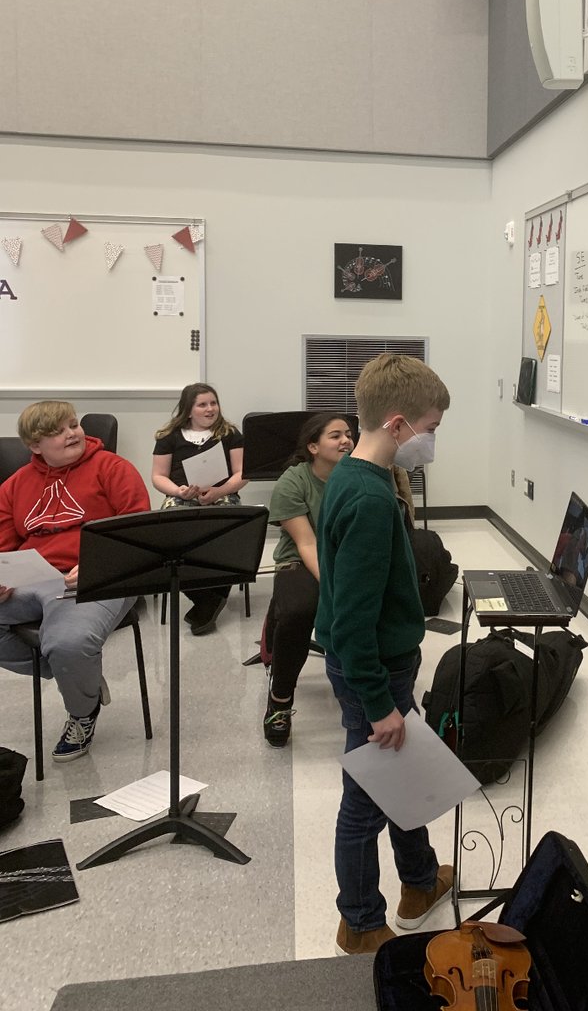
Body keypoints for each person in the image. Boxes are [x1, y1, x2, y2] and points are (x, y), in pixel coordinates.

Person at [315, 353, 453, 956]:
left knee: (403, 774)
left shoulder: (352, 471)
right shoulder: (371, 501)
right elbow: (352, 620)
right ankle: (361, 919)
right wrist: (377, 703)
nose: (431, 441)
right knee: (366, 799)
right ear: (397, 424)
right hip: (372, 668)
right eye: (430, 428)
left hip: (377, 663)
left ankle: (419, 882)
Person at [0, 402, 150, 762]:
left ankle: (82, 711)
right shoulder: (15, 485)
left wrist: (98, 563)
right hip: (33, 579)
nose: (72, 433)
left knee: (69, 642)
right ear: (35, 445)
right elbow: (4, 543)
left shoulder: (113, 468)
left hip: (101, 575)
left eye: (73, 425)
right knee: (68, 654)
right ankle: (80, 674)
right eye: (58, 431)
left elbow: (137, 531)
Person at [262, 413, 354, 747]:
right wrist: (333, 586)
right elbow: (307, 543)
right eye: (335, 436)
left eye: (348, 434)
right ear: (313, 447)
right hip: (300, 560)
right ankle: (280, 700)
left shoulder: (358, 474)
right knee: (300, 610)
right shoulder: (293, 481)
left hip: (346, 556)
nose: (346, 440)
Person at [152, 383, 247, 635]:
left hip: (221, 494)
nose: (210, 409)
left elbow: (242, 473)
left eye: (213, 403)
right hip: (182, 495)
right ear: (189, 409)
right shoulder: (168, 436)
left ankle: (210, 598)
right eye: (202, 404)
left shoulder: (230, 433)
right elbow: (158, 476)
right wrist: (178, 491)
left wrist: (218, 492)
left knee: (227, 535)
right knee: (170, 541)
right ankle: (209, 598)